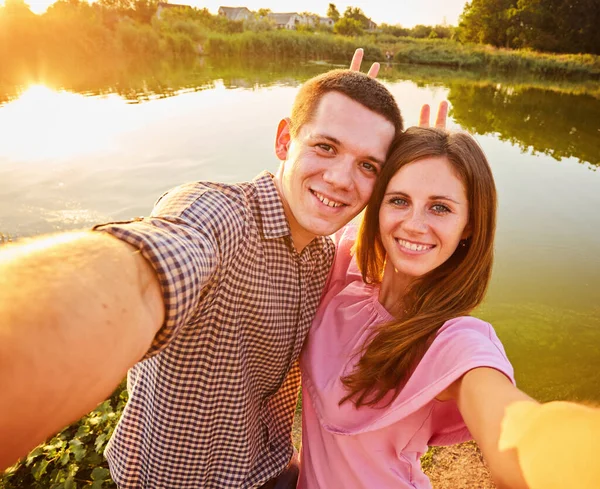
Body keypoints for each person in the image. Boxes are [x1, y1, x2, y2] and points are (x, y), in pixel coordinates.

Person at [0, 51, 449, 488]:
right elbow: (150, 267)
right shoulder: (216, 215)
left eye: (366, 165)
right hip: (172, 479)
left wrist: (417, 180)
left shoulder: (321, 257)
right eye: (325, 146)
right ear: (283, 141)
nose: (339, 179)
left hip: (269, 468)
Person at [297, 127, 538, 489]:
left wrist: (549, 451)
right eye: (399, 200)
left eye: (440, 207)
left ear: (469, 224)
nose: (414, 225)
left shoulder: (452, 340)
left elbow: (513, 431)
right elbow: (297, 221)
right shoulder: (345, 270)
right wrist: (341, 145)